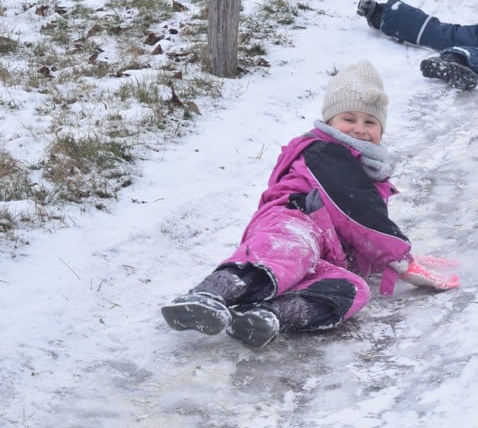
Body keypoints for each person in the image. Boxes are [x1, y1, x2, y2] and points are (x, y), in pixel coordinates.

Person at [161, 60, 459, 348]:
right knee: (292, 252)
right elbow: (360, 214)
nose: (359, 128)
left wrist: (386, 261)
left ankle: (268, 315)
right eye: (349, 119)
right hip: (292, 221)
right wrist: (402, 260)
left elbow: (360, 230)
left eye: (370, 122)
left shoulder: (368, 169)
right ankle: (208, 296)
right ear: (329, 121)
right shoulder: (324, 152)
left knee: (353, 289)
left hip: (325, 251)